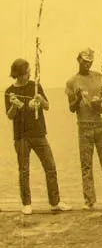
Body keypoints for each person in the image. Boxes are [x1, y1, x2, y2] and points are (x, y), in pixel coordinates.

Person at [5, 59, 72, 215]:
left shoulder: (35, 86)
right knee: (24, 170)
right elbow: (10, 115)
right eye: (26, 72)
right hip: (21, 136)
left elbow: (47, 106)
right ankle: (26, 204)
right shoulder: (9, 91)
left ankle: (55, 202)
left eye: (29, 71)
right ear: (19, 74)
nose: (29, 74)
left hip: (39, 134)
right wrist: (14, 104)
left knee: (50, 166)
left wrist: (40, 100)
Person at [65, 48, 102, 210]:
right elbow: (71, 108)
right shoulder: (72, 82)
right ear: (78, 60)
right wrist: (77, 97)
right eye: (84, 61)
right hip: (84, 126)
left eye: (90, 61)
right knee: (86, 164)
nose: (87, 64)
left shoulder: (100, 77)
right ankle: (89, 200)